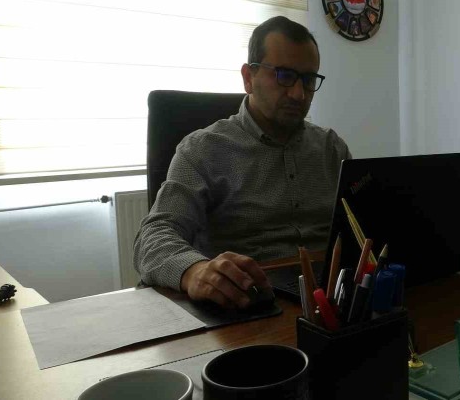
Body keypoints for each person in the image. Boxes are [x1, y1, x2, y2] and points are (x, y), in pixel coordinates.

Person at [134, 16, 351, 309]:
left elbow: (365, 228)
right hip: (245, 303)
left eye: (308, 80)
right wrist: (194, 271)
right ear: (249, 77)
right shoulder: (203, 150)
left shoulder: (332, 148)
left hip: (335, 301)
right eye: (284, 76)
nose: (299, 94)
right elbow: (153, 237)